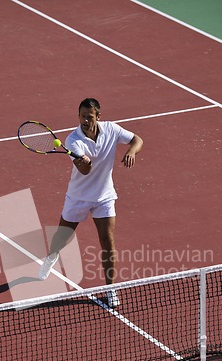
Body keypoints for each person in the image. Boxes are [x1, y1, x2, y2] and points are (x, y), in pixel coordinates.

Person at [38, 98, 143, 307]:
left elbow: (137, 140)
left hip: (104, 196)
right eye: (82, 116)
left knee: (108, 241)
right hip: (78, 197)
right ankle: (51, 257)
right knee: (62, 237)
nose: (85, 120)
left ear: (98, 117)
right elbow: (85, 171)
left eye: (89, 116)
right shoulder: (73, 141)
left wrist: (131, 151)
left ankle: (110, 289)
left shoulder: (111, 129)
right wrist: (83, 162)